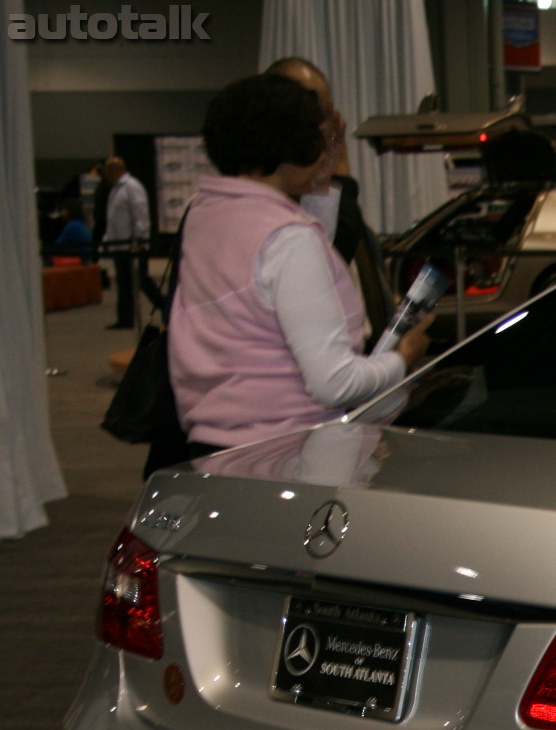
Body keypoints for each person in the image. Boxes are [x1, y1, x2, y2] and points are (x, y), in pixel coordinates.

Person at [159, 74, 431, 475]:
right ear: (294, 144)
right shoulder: (287, 239)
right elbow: (334, 384)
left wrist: (317, 180)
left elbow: (295, 244)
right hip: (291, 456)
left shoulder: (207, 212)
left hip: (217, 448)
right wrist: (402, 359)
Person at [265, 56, 393, 339]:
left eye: (324, 113)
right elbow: (326, 270)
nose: (322, 129)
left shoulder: (326, 203)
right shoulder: (261, 215)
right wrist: (340, 175)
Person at [102, 156, 158, 329]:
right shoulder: (116, 189)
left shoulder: (132, 187)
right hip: (119, 244)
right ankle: (126, 318)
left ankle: (164, 305)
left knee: (140, 280)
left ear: (115, 170)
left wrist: (141, 237)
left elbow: (140, 213)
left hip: (133, 245)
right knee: (124, 282)